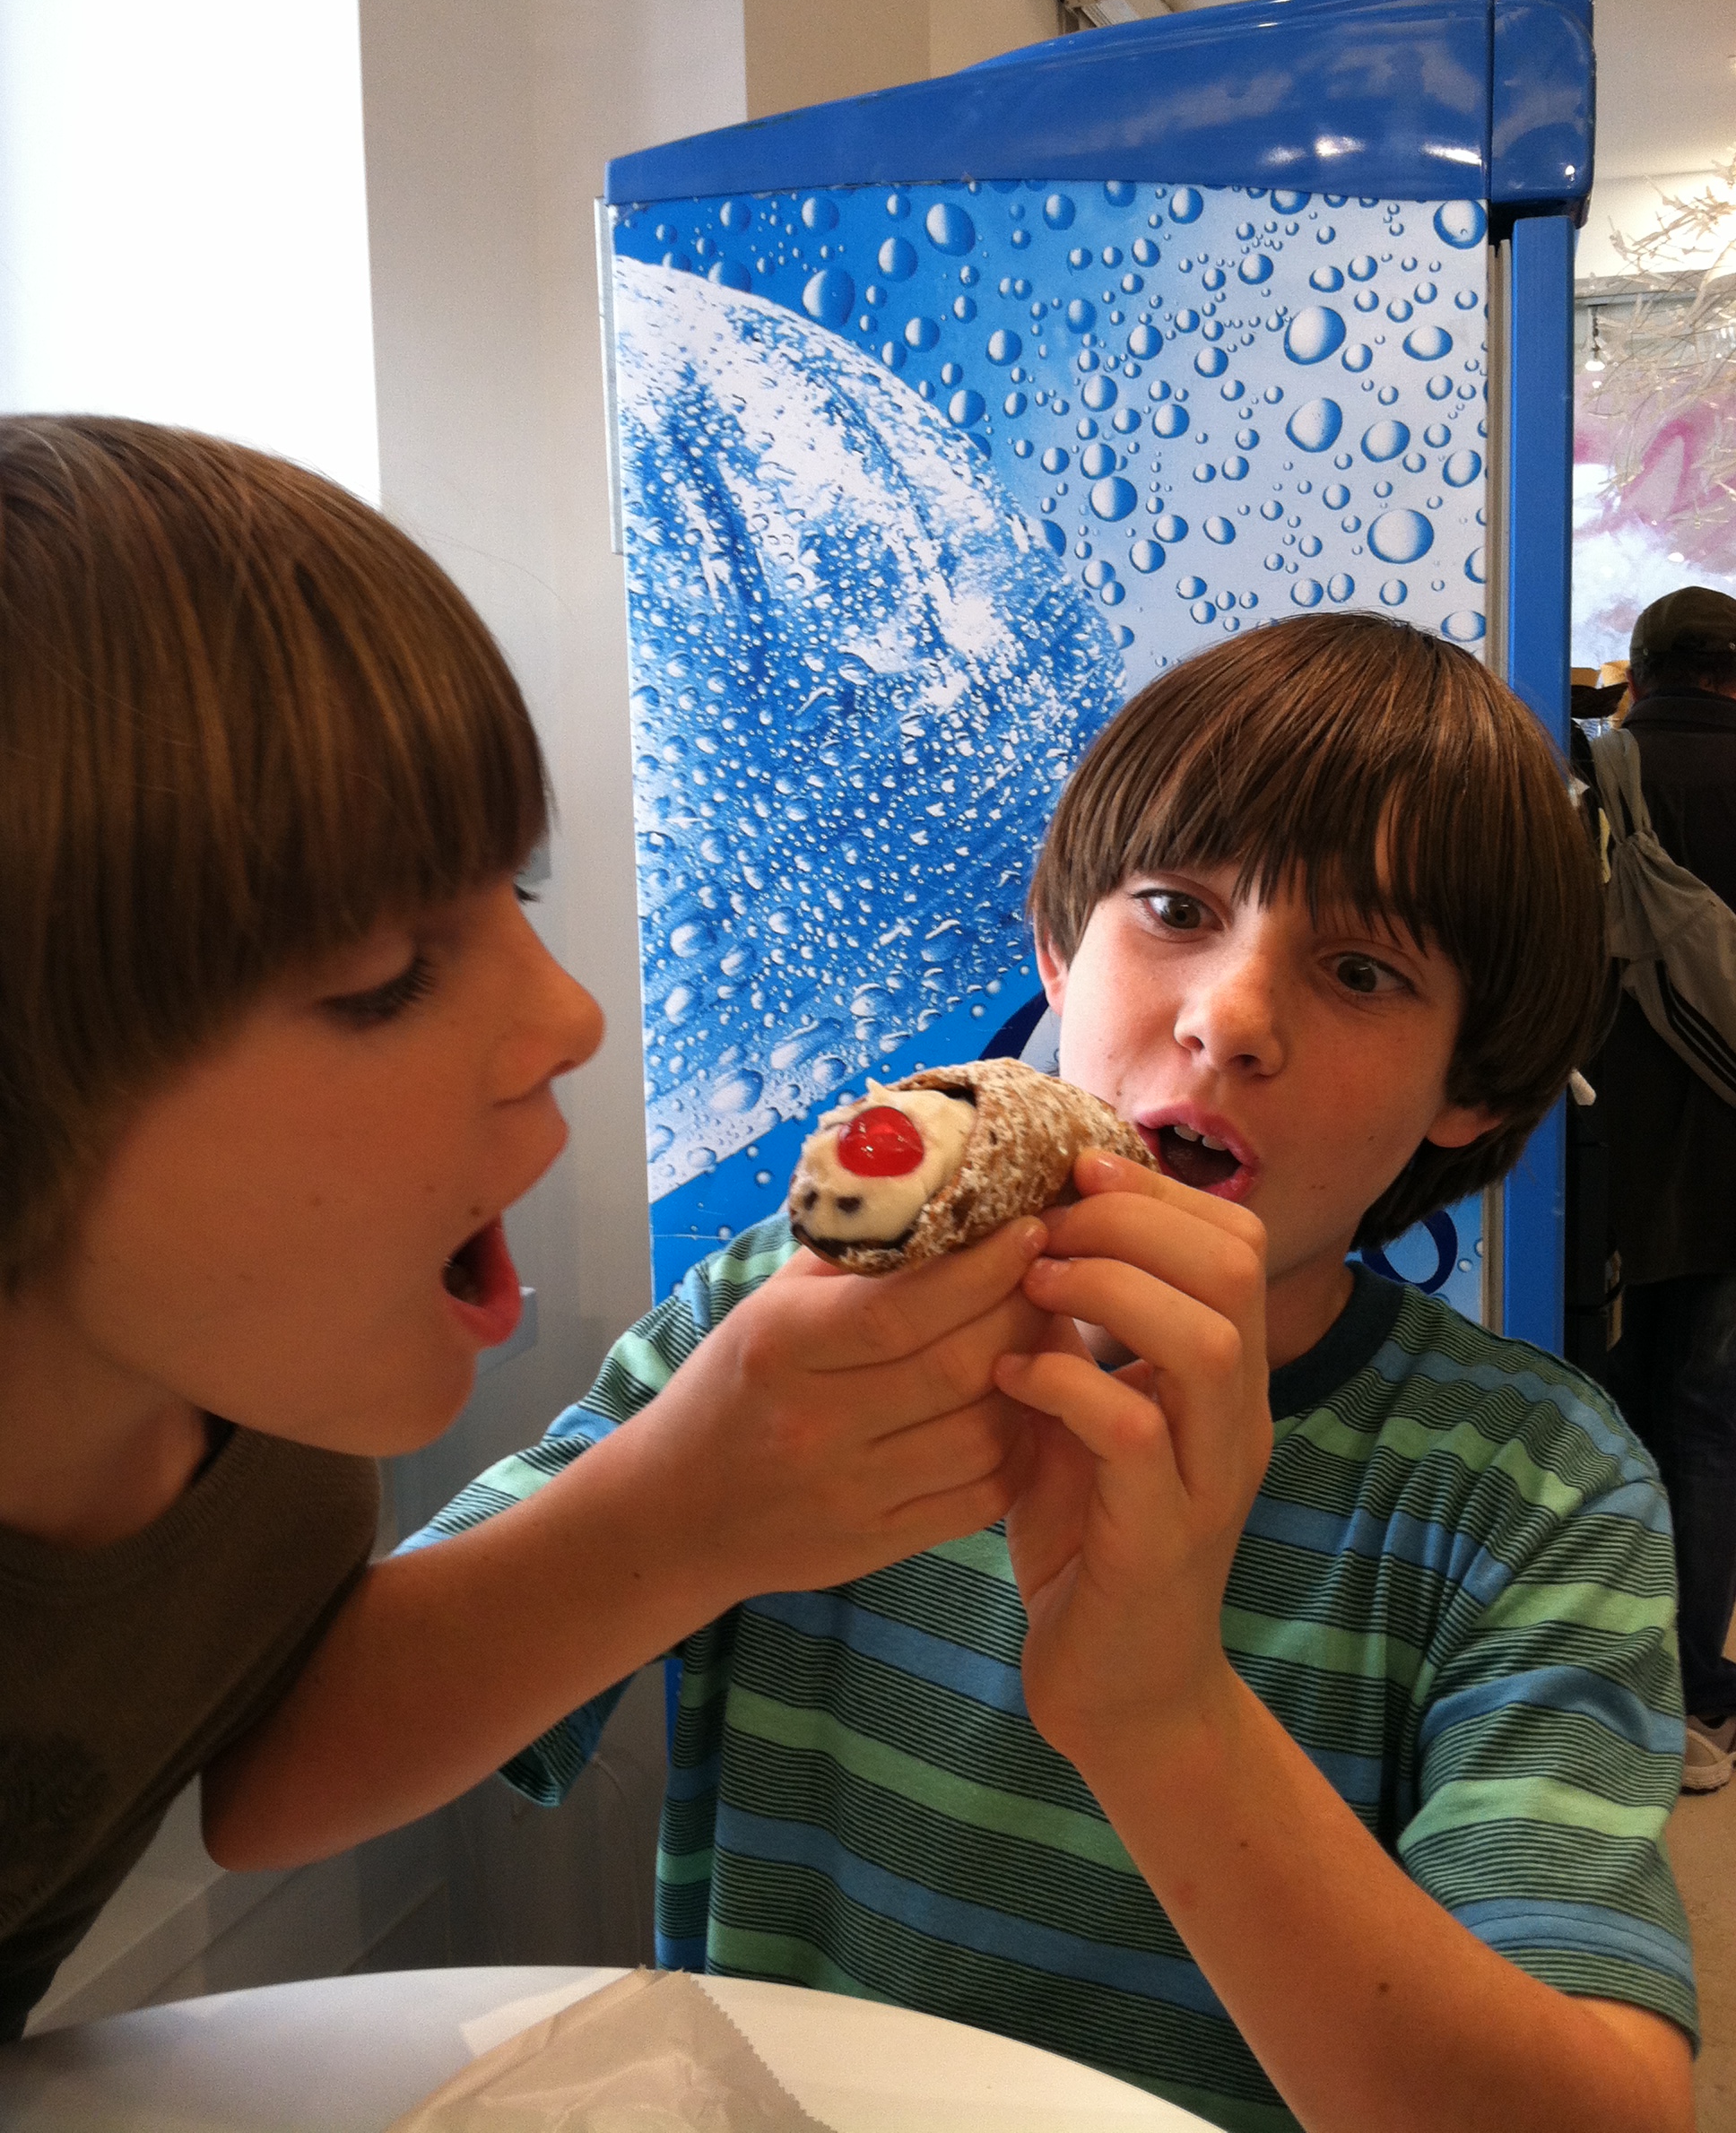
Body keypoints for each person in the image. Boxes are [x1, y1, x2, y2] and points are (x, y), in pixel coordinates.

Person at [208, 614, 1694, 2133]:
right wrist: (686, 1509)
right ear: (1058, 948)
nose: (1229, 1018)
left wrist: (1161, 1711)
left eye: (1363, 972)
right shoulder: (788, 1323)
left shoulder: (1533, 1490)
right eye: (1174, 908)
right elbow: (275, 1782)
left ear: (1471, 1087)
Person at [0, 416, 1036, 2041]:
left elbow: (274, 1771)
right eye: (381, 974)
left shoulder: (267, 1475)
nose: (570, 1017)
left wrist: (701, 1512)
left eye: (519, 895)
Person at [1590, 583, 1736, 1792]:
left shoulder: (1593, 776)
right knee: (1713, 1420)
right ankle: (1696, 1689)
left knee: (1615, 1409)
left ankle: (1616, 1675)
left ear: (1641, 669)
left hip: (1609, 1156)